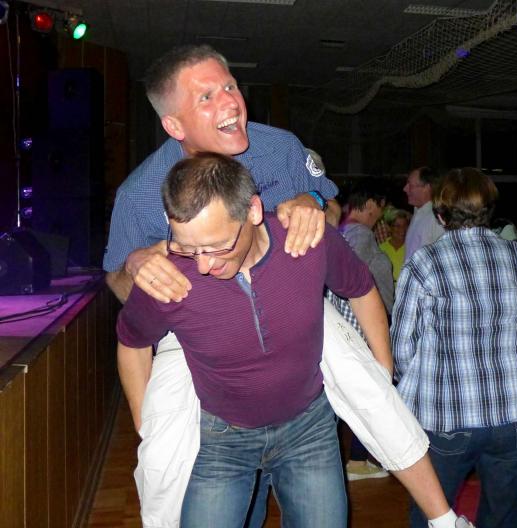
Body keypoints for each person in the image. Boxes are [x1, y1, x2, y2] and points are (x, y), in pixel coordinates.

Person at [104, 45, 470, 528]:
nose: (230, 102)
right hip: (199, 329)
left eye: (230, 86)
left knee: (370, 388)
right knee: (162, 453)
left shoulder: (278, 146)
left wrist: (310, 201)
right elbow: (122, 291)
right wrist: (136, 264)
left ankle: (444, 518)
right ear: (174, 125)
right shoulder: (138, 194)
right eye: (206, 97)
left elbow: (333, 219)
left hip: (290, 299)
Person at [393, 167, 517, 528]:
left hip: (446, 419)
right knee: (503, 517)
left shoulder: (423, 264)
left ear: (440, 215)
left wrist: (411, 394)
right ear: (489, 211)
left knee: (431, 515)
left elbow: (402, 348)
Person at [331, 181, 394, 480]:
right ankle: (357, 459)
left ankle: (356, 459)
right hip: (361, 329)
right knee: (368, 392)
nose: (381, 214)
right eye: (380, 207)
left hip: (352, 328)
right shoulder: (360, 235)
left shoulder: (346, 231)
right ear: (369, 204)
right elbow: (348, 283)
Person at [403, 166, 445, 261]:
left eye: (410, 185)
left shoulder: (437, 218)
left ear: (426, 187)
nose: (405, 189)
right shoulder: (418, 214)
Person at [379, 207, 412, 283]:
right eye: (397, 226)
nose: (402, 229)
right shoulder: (381, 249)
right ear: (389, 227)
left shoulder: (412, 247)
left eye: (405, 225)